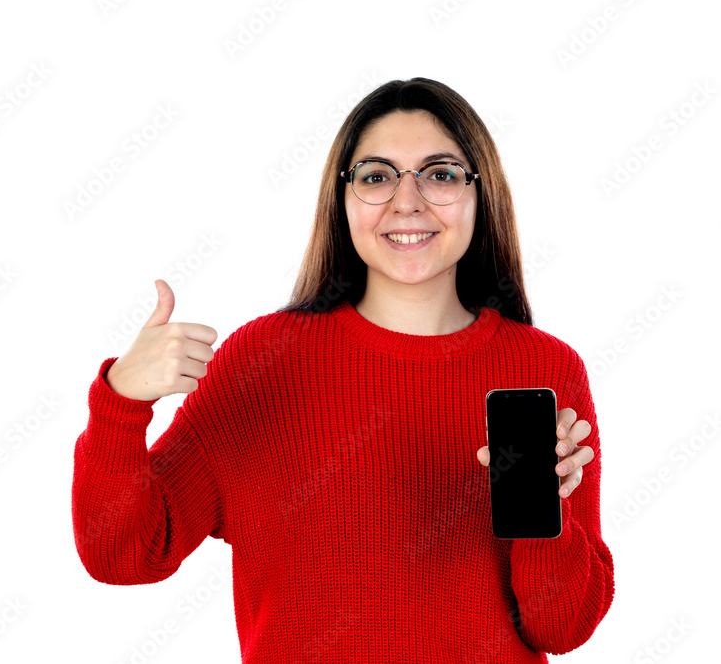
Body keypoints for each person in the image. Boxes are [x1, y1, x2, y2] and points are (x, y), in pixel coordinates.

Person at [71, 77, 614, 662]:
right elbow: (123, 554)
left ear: (481, 195)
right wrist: (121, 404)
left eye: (440, 174)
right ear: (343, 197)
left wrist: (543, 513)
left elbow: (561, 628)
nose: (407, 202)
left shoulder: (542, 367)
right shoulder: (262, 361)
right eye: (377, 176)